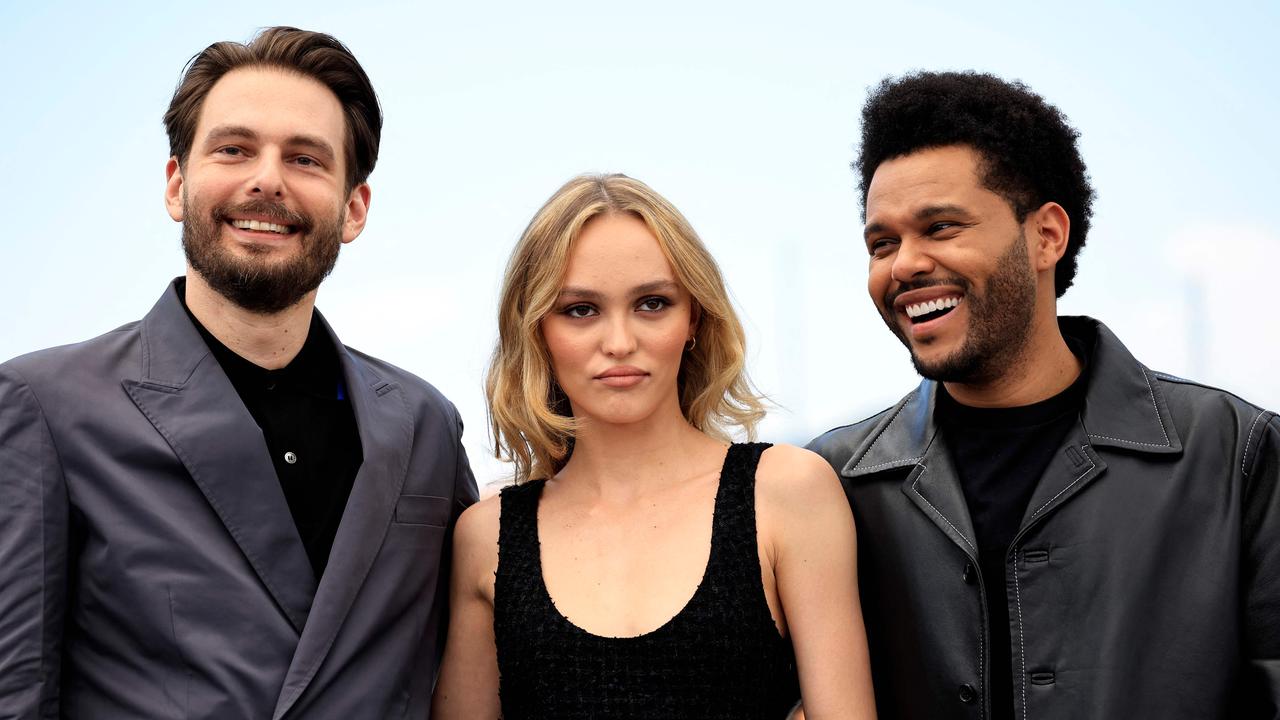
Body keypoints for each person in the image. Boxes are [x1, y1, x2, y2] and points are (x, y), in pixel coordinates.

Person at [0, 27, 477, 718]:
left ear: (354, 209)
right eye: (234, 149)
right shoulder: (43, 406)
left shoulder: (425, 423)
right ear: (176, 183)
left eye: (306, 158)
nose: (266, 179)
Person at [807, 70, 1280, 719]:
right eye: (881, 242)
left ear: (1046, 236)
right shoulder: (830, 480)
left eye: (941, 227)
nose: (904, 264)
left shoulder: (1237, 454)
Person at [432, 174, 876, 719]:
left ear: (693, 317)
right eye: (580, 310)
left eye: (652, 303)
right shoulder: (487, 536)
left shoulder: (786, 493)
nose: (620, 343)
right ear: (537, 331)